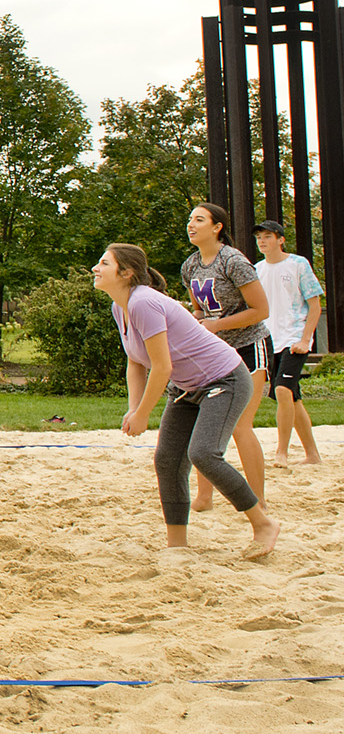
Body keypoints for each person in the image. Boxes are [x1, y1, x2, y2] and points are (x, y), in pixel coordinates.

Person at [92, 243, 279, 559]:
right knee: (168, 460)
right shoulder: (119, 307)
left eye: (104, 263)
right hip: (187, 386)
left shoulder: (143, 302)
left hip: (225, 379)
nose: (95, 268)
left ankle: (263, 524)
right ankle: (177, 545)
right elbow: (136, 361)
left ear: (127, 273)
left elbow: (161, 367)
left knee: (204, 454)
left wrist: (144, 414)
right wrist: (133, 408)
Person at [180, 203, 270, 511]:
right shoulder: (190, 265)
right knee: (205, 426)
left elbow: (261, 310)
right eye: (190, 219)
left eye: (199, 220)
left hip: (248, 345)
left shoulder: (233, 261)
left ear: (217, 227)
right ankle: (204, 497)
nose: (191, 225)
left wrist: (217, 325)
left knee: (241, 425)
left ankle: (257, 500)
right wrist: (188, 318)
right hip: (214, 352)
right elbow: (200, 310)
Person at [252, 220, 324, 468]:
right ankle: (312, 455)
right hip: (269, 340)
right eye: (259, 237)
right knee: (292, 397)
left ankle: (281, 452)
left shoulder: (298, 264)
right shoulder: (257, 269)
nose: (262, 241)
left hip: (294, 338)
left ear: (280, 240)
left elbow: (314, 305)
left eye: (267, 236)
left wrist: (305, 339)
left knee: (282, 390)